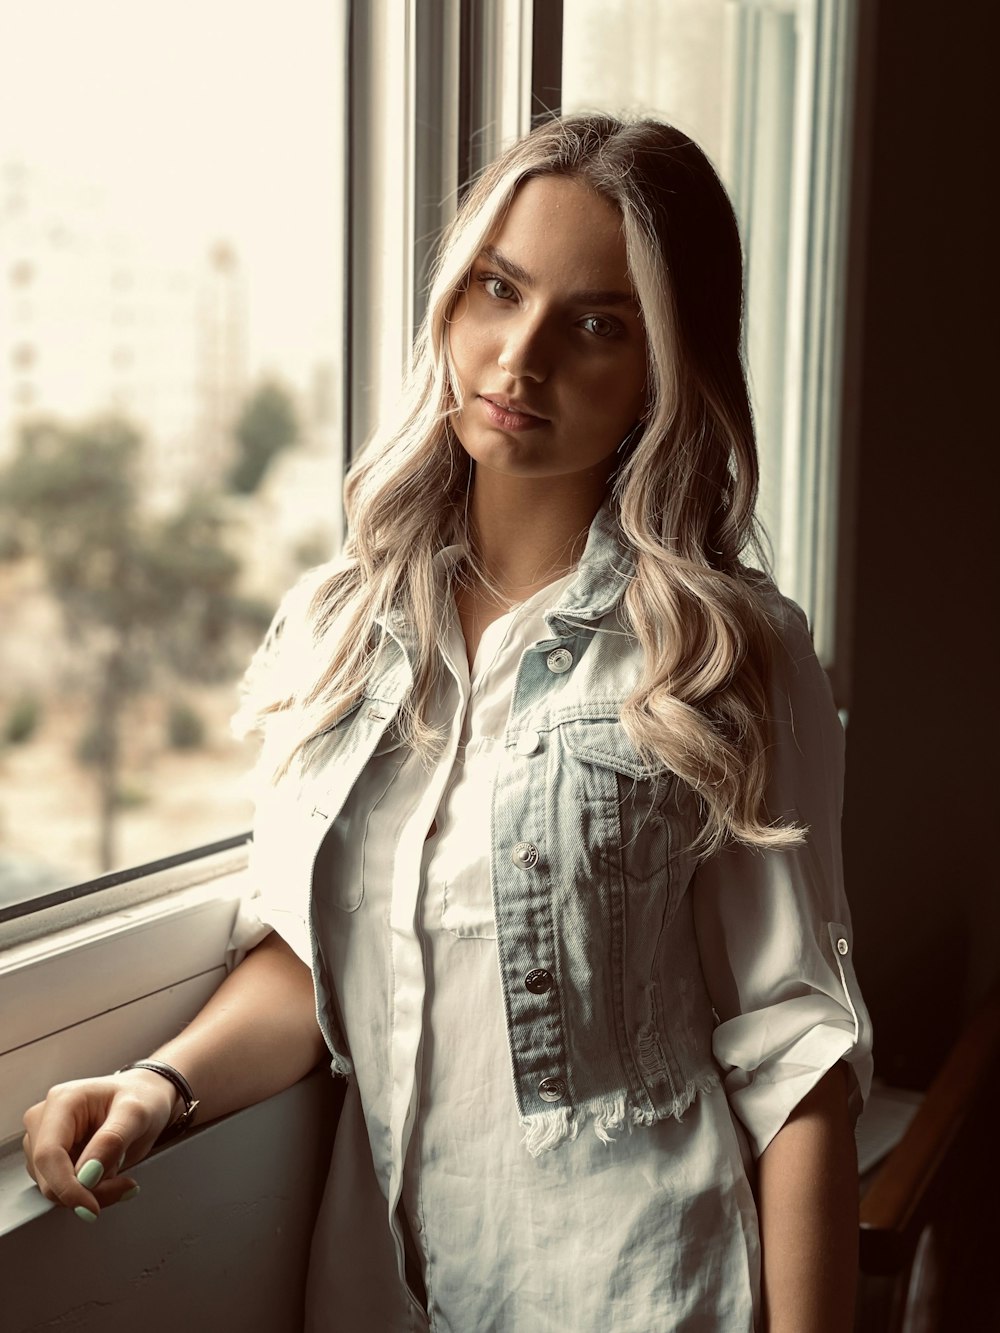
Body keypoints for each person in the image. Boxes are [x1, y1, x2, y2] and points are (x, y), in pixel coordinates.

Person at [22, 114, 873, 1332]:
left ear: (661, 368)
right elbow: (315, 953)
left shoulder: (728, 650)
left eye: (595, 325)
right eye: (497, 289)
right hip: (376, 1293)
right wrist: (160, 1084)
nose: (517, 358)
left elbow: (798, 1061)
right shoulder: (345, 619)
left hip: (642, 1292)